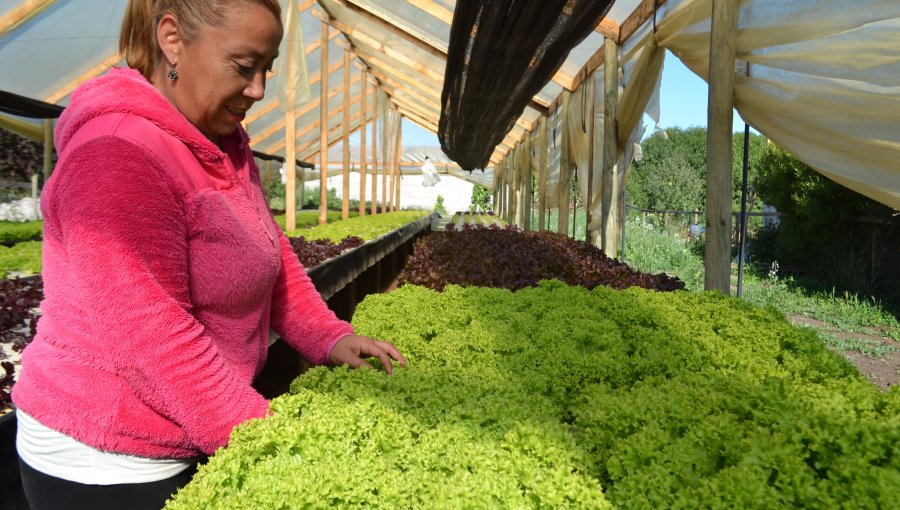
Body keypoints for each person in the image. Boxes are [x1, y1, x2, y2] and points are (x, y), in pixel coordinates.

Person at [12, 1, 406, 508]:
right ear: (172, 38)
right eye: (244, 66)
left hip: (191, 425)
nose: (259, 88)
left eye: (268, 68)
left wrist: (331, 338)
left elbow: (271, 256)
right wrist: (270, 442)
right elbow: (155, 342)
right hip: (107, 460)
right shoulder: (117, 151)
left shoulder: (222, 142)